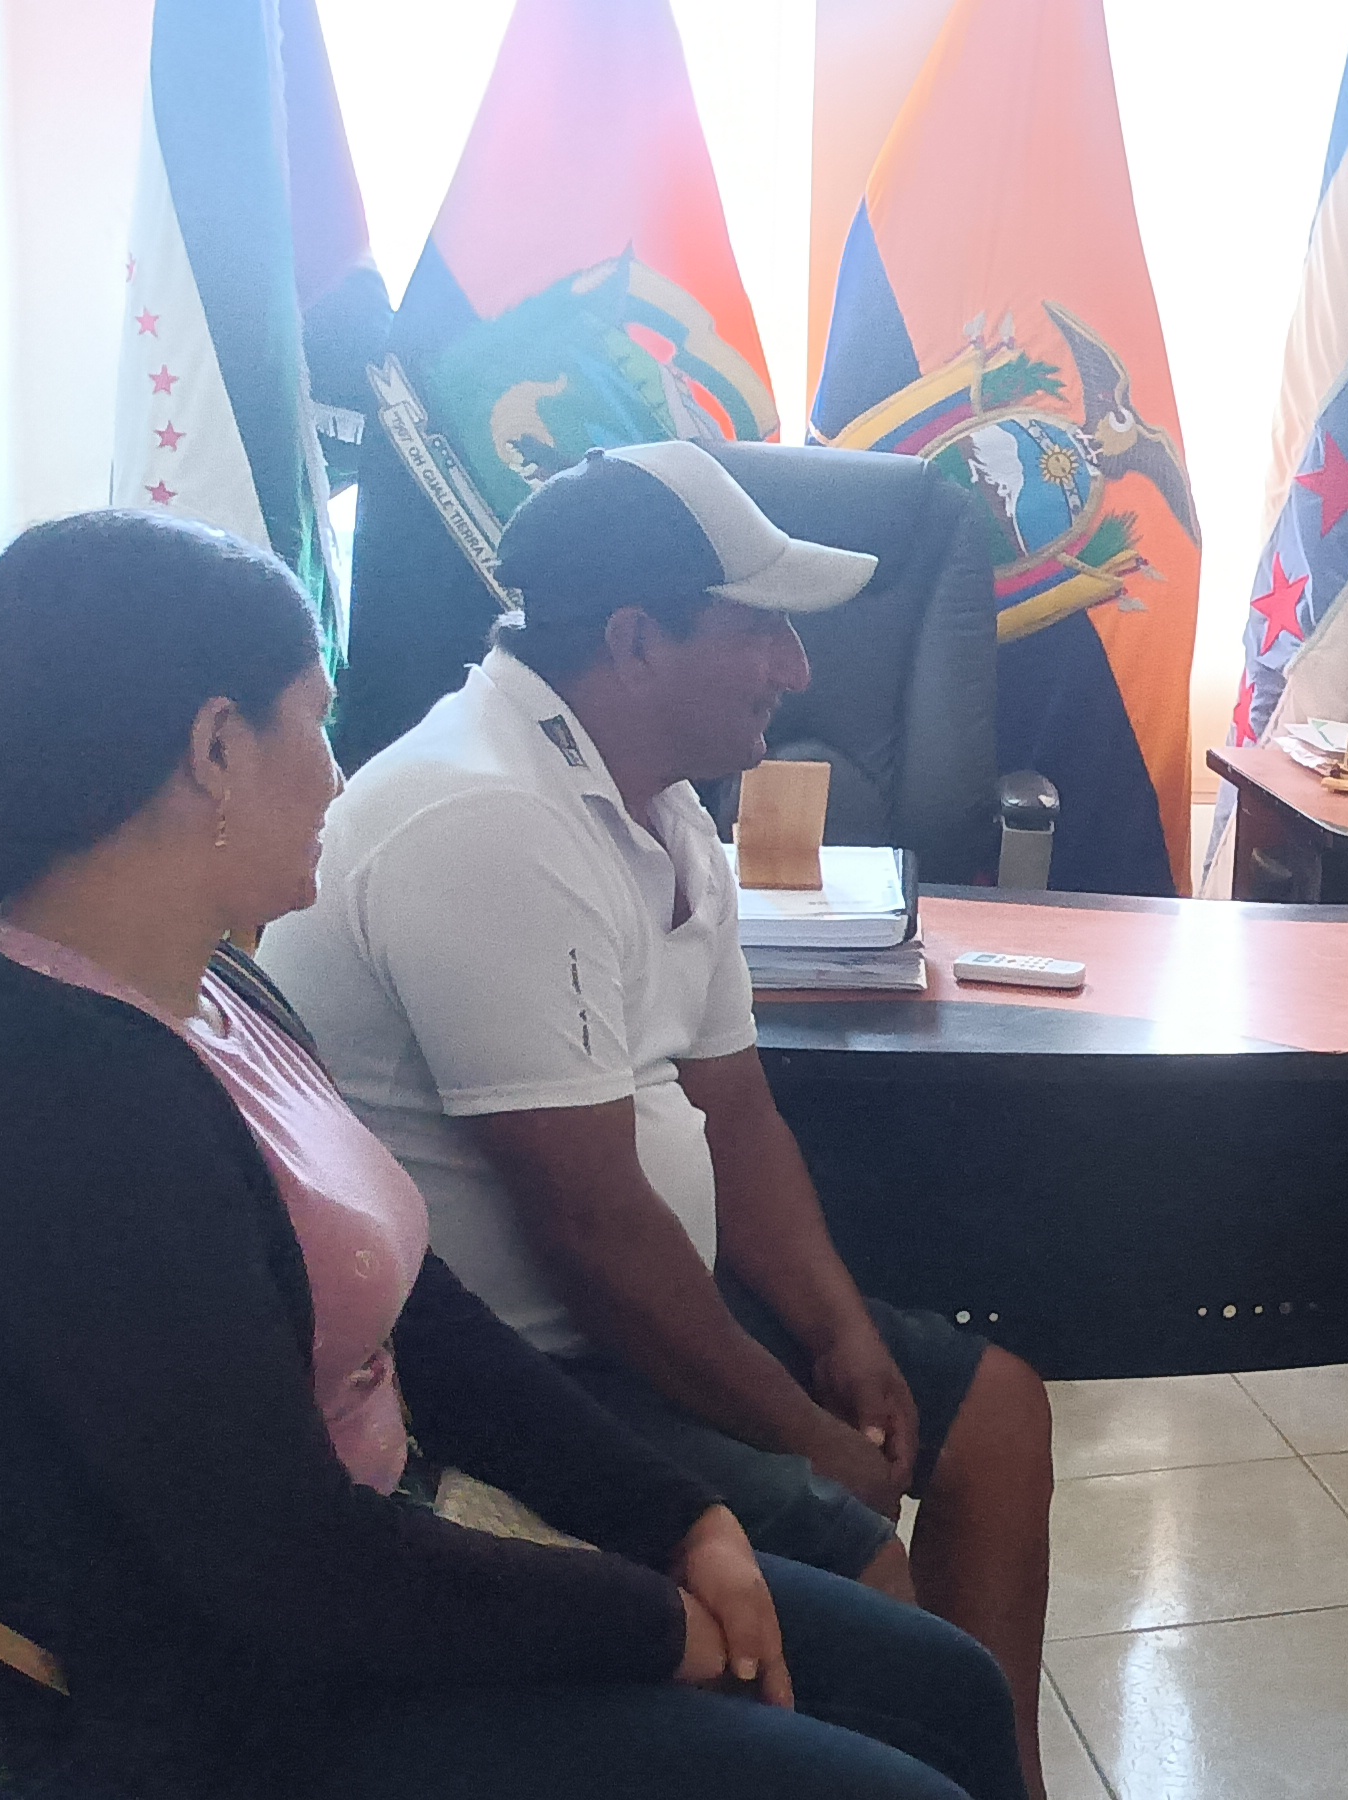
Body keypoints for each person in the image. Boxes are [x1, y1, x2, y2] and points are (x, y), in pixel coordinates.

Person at [0, 510, 1022, 1800]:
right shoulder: (50, 1099)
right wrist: (651, 1622)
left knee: (942, 1687)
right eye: (314, 726)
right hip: (233, 1713)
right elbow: (289, 1568)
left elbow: (420, 1315)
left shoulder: (213, 987)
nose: (338, 778)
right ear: (215, 749)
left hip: (364, 1582)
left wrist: (677, 1519)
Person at [259, 443, 1057, 1800]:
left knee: (993, 1414)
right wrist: (800, 1433)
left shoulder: (665, 803)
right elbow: (592, 1233)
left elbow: (732, 1107)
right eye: (763, 630)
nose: (797, 669)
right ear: (634, 640)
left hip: (638, 1314)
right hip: (524, 1364)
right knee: (858, 1548)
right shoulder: (483, 815)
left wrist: (840, 1332)